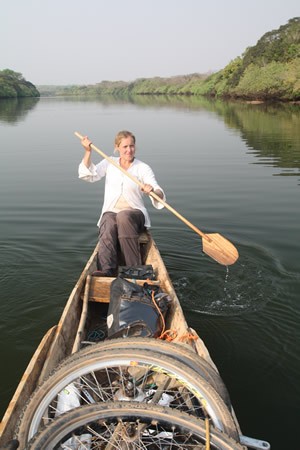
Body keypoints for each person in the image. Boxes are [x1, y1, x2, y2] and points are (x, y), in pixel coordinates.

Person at [78, 130, 165, 276]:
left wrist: (152, 191)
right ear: (117, 147)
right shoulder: (109, 162)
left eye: (131, 146)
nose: (129, 150)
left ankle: (134, 271)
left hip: (135, 215)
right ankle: (106, 271)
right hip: (112, 212)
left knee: (123, 216)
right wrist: (88, 152)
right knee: (108, 219)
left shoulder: (142, 168)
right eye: (125, 147)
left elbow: (159, 193)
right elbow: (88, 175)